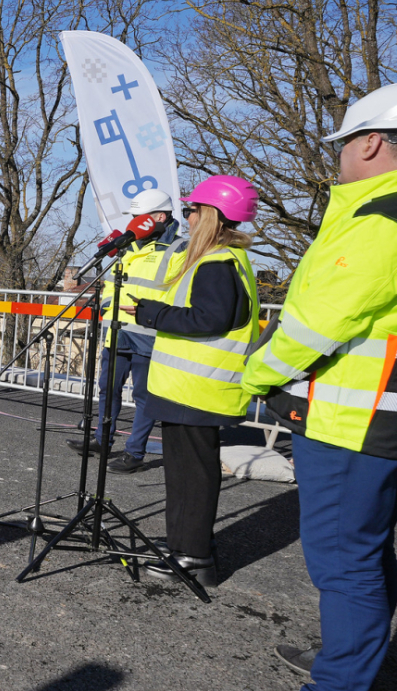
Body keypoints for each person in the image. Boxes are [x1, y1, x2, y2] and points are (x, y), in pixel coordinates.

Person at [241, 86, 397, 691]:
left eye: (344, 144)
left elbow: (315, 325)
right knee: (367, 552)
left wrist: (253, 375)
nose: (338, 157)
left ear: (371, 142)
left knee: (344, 562)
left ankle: (339, 679)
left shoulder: (378, 221)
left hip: (352, 426)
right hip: (372, 424)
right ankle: (353, 656)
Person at [125, 175, 260, 588]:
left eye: (193, 209)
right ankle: (182, 546)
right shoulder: (216, 259)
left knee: (193, 476)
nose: (188, 216)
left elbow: (210, 318)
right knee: (184, 475)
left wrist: (153, 316)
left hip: (198, 391)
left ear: (214, 215)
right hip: (189, 390)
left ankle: (193, 556)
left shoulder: (218, 260)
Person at [65, 188, 181, 473]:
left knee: (143, 396)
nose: (133, 223)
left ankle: (135, 453)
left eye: (139, 217)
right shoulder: (127, 247)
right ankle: (102, 440)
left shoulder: (179, 249)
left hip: (149, 334)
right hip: (116, 331)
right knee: (108, 389)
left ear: (161, 217)